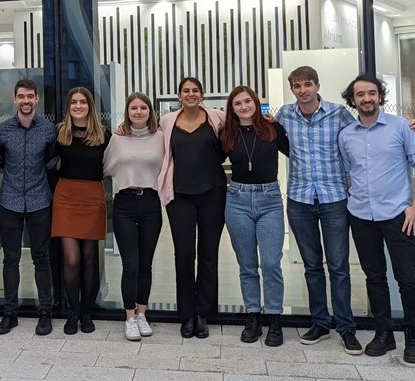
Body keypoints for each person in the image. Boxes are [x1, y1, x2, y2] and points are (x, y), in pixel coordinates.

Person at [339, 74, 415, 363]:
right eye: (360, 95)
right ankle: (384, 334)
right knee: (374, 277)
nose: (367, 99)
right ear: (352, 100)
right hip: (361, 216)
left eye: (372, 93)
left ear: (380, 96)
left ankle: (412, 337)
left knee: (407, 278)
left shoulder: (401, 126)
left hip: (398, 216)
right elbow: (347, 174)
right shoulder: (346, 135)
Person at [275, 66, 363, 354]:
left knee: (339, 267)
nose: (303, 90)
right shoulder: (285, 115)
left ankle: (347, 328)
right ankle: (320, 323)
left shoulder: (338, 113)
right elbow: (272, 137)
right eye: (297, 86)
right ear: (292, 89)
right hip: (300, 199)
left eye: (308, 84)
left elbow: (360, 137)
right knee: (312, 266)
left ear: (317, 85)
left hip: (334, 198)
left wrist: (406, 125)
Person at [219, 86, 289, 346]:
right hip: (237, 200)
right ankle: (253, 316)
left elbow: (299, 152)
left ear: (256, 102)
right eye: (237, 103)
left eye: (247, 101)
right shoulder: (227, 133)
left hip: (269, 199)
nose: (244, 106)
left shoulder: (272, 129)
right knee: (247, 265)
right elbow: (209, 158)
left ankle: (275, 318)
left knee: (271, 263)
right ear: (232, 108)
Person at [158, 77, 225, 339]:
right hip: (180, 196)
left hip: (213, 193)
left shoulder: (216, 118)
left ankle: (202, 313)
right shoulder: (167, 121)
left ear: (202, 94)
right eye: (186, 91)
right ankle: (185, 314)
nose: (191, 94)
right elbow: (146, 134)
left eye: (195, 90)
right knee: (184, 255)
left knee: (208, 255)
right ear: (178, 95)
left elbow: (237, 134)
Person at [0, 79, 57, 336]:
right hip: (9, 201)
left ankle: (45, 313)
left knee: (41, 258)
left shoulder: (49, 129)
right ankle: (10, 313)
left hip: (40, 201)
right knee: (11, 259)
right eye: (21, 96)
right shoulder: (3, 129)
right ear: (14, 99)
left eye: (30, 96)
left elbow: (53, 161)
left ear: (37, 99)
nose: (26, 101)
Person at [103, 92, 164, 341]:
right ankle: (129, 317)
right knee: (131, 265)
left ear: (150, 111)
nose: (138, 112)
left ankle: (142, 314)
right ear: (127, 113)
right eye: (133, 108)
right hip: (124, 203)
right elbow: (106, 167)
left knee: (146, 264)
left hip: (151, 202)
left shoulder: (160, 137)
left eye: (143, 108)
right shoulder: (118, 138)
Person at [52, 87, 111, 335]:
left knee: (89, 259)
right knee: (72, 259)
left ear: (90, 106)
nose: (78, 106)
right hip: (66, 197)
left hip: (92, 197)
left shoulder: (104, 135)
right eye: (73, 102)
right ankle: (72, 312)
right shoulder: (60, 133)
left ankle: (86, 312)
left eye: (83, 102)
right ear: (68, 106)